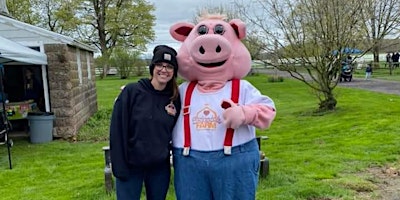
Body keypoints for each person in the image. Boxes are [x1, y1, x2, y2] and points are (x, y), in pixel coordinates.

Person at [170, 13, 276, 200]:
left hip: (234, 160)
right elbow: (157, 108)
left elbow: (268, 110)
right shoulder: (183, 91)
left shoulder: (242, 88)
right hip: (189, 163)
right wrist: (134, 97)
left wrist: (245, 113)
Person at [109, 45, 181, 200]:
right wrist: (119, 165)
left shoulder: (174, 99)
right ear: (152, 67)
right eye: (160, 65)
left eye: (169, 66)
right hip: (131, 165)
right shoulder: (132, 92)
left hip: (159, 168)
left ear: (174, 71)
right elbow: (117, 130)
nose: (164, 70)